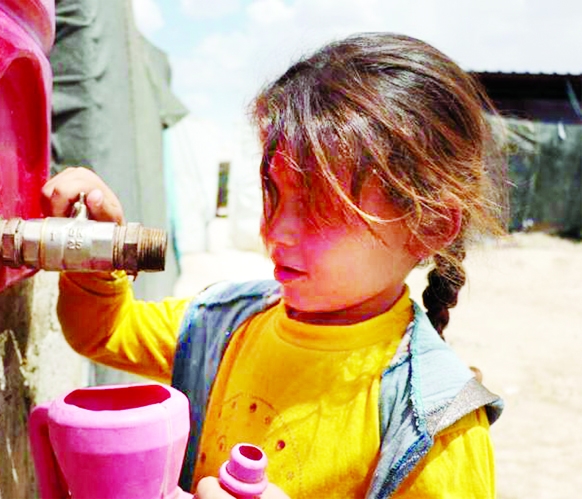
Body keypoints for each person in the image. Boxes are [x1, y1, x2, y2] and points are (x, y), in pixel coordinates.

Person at [42, 32, 506, 499]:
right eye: (273, 194)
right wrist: (96, 250)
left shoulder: (436, 426)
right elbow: (105, 330)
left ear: (429, 227)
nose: (275, 230)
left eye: (321, 205)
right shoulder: (224, 324)